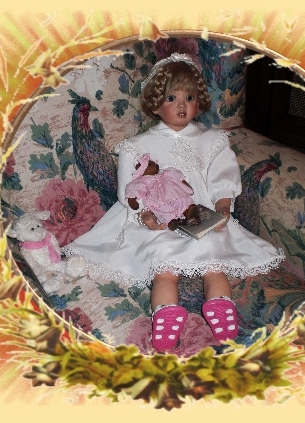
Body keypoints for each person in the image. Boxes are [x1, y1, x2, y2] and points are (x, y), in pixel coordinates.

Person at [65, 53, 285, 352]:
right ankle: (167, 315)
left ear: (199, 101)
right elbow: (130, 189)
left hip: (201, 215)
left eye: (189, 97)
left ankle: (221, 307)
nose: (182, 105)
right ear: (156, 104)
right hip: (157, 219)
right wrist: (144, 214)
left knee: (213, 257)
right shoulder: (137, 146)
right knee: (163, 261)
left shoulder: (212, 140)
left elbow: (223, 175)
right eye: (172, 98)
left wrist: (222, 206)